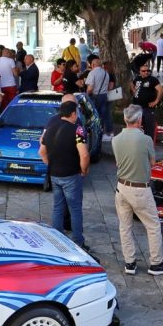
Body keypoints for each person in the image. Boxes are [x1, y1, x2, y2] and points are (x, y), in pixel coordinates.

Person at [114, 105, 163, 276]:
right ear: (139, 120)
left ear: (125, 119)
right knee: (152, 226)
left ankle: (129, 263)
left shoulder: (116, 139)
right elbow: (152, 162)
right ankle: (155, 263)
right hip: (140, 189)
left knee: (125, 227)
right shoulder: (145, 139)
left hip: (121, 187)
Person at [39, 100, 90, 249]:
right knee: (75, 209)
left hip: (54, 175)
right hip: (71, 175)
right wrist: (84, 170)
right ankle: (78, 242)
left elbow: (41, 151)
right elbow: (85, 155)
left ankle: (56, 239)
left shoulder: (49, 128)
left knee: (57, 207)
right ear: (73, 113)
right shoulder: (78, 130)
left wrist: (51, 164)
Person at [128, 60, 162, 141]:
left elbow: (161, 90)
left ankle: (148, 144)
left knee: (149, 128)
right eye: (144, 71)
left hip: (147, 108)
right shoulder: (137, 78)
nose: (146, 72)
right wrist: (133, 90)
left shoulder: (152, 79)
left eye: (148, 70)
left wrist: (156, 101)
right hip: (136, 107)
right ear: (139, 72)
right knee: (135, 126)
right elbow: (132, 84)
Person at [85, 56, 113, 141]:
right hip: (104, 96)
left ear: (92, 65)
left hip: (95, 97)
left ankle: (96, 133)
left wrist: (86, 95)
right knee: (105, 115)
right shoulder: (106, 73)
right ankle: (109, 133)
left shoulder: (92, 73)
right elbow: (108, 87)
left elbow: (90, 88)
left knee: (93, 116)